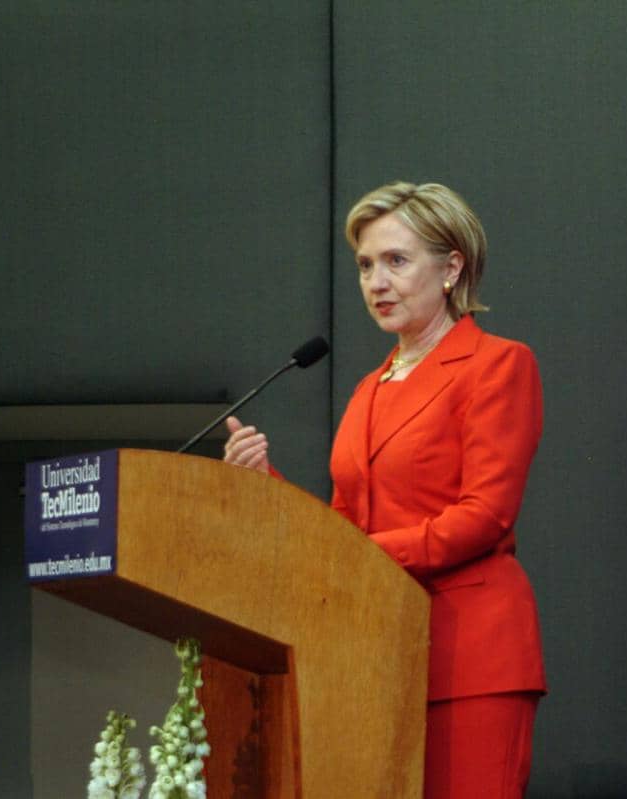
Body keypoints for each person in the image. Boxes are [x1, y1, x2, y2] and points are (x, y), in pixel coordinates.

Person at [222, 181, 545, 798]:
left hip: (468, 655)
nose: (376, 281)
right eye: (366, 265)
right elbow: (346, 523)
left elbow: (485, 516)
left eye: (397, 261)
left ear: (451, 268)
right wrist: (268, 488)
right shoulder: (371, 387)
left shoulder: (498, 365)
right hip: (374, 650)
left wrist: (364, 561)